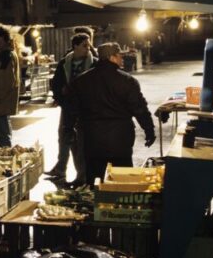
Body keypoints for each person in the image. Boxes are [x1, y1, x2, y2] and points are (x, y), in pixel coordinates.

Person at [61, 42, 156, 186]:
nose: (122, 59)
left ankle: (96, 199)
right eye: (119, 56)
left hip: (92, 138)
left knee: (95, 180)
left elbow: (71, 109)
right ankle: (120, 200)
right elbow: (139, 108)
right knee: (122, 180)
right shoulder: (127, 81)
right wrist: (149, 129)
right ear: (112, 57)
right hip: (120, 139)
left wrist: (68, 130)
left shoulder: (81, 81)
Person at [46, 33, 93, 181]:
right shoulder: (64, 63)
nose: (88, 48)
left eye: (88, 45)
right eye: (85, 45)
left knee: (81, 143)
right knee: (64, 137)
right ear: (75, 46)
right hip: (68, 107)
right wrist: (60, 98)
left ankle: (82, 175)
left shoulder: (93, 63)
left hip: (85, 110)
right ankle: (61, 169)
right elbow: (56, 84)